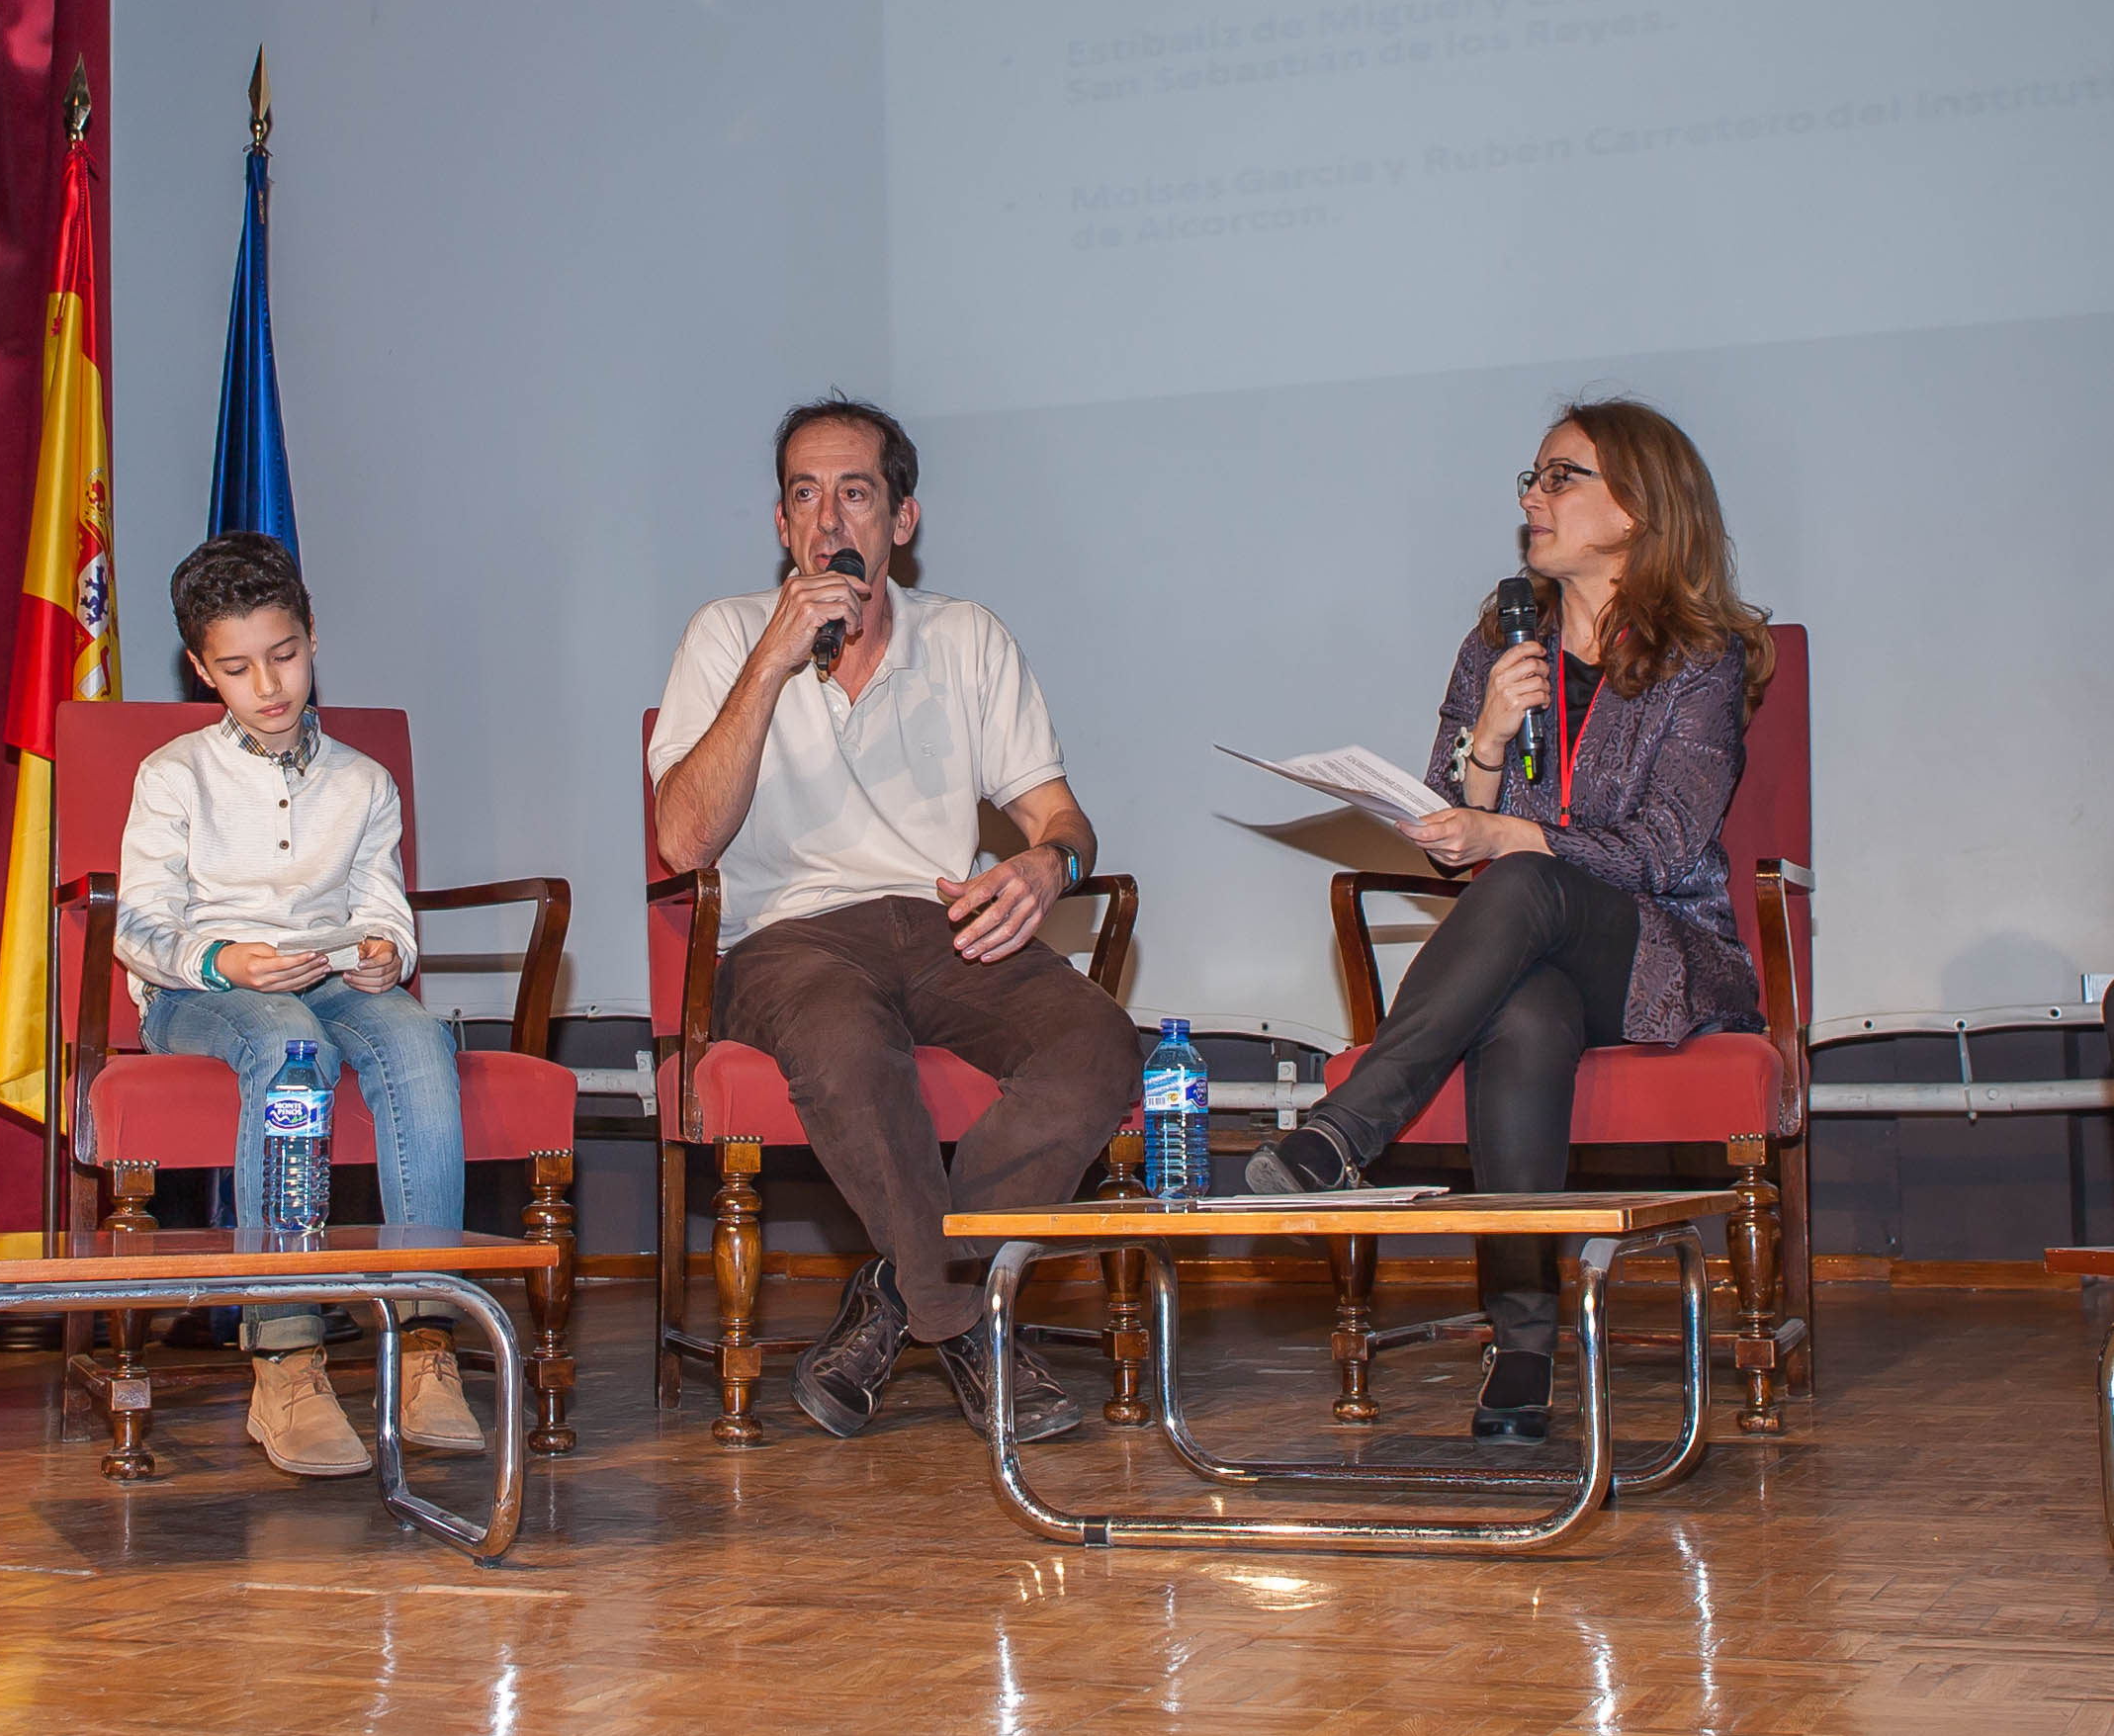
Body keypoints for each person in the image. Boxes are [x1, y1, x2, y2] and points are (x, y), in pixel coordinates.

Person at [1247, 397, 1774, 1442]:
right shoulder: (1498, 638)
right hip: (1532, 953)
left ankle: (1344, 1130)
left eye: (1559, 477)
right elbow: (1444, 837)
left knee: (1527, 880)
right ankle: (1523, 1351)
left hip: (1657, 954)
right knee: (1524, 1011)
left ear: (1637, 507)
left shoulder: (1699, 659)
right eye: (1530, 477)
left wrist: (1511, 839)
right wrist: (1484, 740)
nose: (1532, 497)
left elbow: (1663, 849)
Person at [650, 397, 1136, 1443]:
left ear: (901, 520)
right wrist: (770, 660)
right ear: (780, 523)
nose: (828, 520)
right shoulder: (725, 635)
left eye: (855, 493)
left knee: (1096, 1041)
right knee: (844, 1043)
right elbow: (683, 841)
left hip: (938, 920)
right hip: (786, 938)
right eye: (804, 495)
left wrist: (1047, 864)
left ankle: (902, 1285)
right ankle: (961, 1319)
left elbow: (1061, 818)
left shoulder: (965, 638)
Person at [114, 532, 484, 1478]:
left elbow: (381, 906)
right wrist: (221, 958)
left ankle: (426, 1339)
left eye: (282, 655)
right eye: (237, 667)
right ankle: (284, 1356)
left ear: (312, 636)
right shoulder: (173, 774)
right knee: (288, 1044)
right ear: (201, 669)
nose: (268, 684)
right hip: (203, 992)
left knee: (417, 1038)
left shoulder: (362, 781)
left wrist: (384, 952)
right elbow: (138, 925)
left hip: (329, 978)